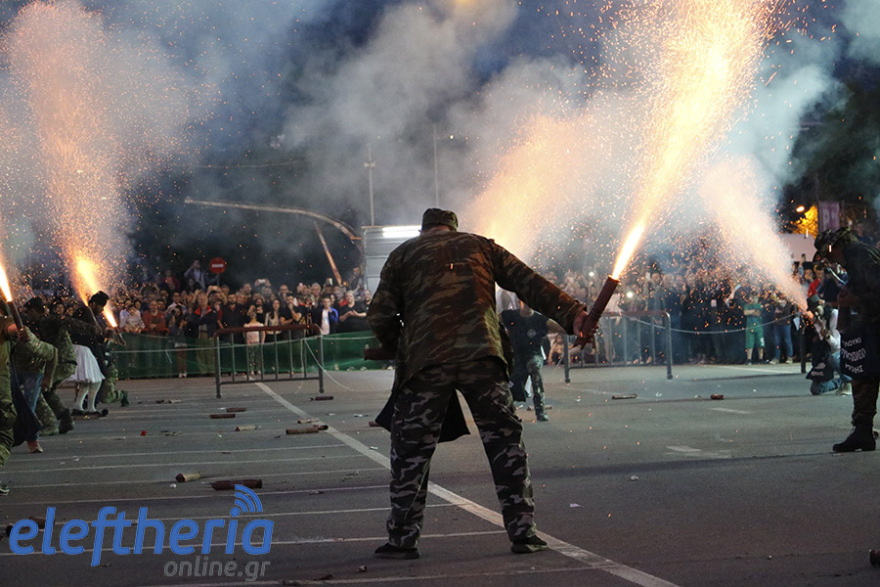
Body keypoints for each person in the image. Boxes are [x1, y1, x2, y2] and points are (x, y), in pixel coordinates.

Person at [367, 208, 592, 559]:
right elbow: (528, 282)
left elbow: (380, 313)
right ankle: (523, 532)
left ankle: (403, 539)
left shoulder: (403, 254)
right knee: (505, 443)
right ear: (454, 227)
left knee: (411, 451)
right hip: (483, 357)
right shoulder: (481, 247)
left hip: (427, 363)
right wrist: (573, 313)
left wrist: (399, 346)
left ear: (424, 230)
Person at [814, 227, 880, 452]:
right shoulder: (854, 258)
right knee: (864, 375)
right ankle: (862, 430)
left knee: (866, 374)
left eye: (827, 253)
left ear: (834, 247)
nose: (827, 258)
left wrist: (855, 298)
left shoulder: (859, 255)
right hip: (871, 322)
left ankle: (863, 430)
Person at [501, 301, 561, 421]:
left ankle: (540, 410)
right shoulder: (510, 316)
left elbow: (560, 327)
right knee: (512, 384)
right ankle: (508, 413)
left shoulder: (540, 320)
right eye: (525, 302)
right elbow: (491, 320)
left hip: (533, 354)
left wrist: (578, 328)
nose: (528, 305)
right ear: (520, 302)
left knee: (534, 369)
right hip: (516, 357)